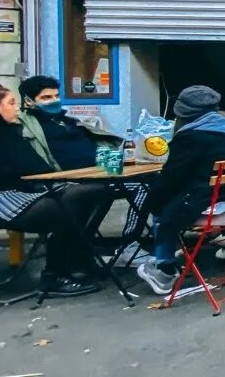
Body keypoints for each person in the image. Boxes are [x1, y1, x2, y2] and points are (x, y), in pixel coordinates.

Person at [0, 84, 104, 296]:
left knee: (94, 191)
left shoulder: (3, 129)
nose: (17, 109)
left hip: (12, 192)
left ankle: (75, 262)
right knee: (69, 202)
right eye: (11, 103)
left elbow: (33, 165)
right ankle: (54, 275)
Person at [136, 86, 225, 296]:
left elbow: (171, 178)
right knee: (168, 200)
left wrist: (149, 205)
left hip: (215, 207)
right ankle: (165, 264)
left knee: (162, 206)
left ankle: (164, 269)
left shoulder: (191, 136)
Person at [16, 75, 150, 265]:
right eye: (46, 97)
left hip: (99, 173)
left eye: (56, 95)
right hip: (69, 181)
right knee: (138, 187)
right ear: (29, 101)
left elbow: (100, 142)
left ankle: (102, 244)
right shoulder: (25, 125)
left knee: (148, 183)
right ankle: (128, 245)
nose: (54, 100)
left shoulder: (68, 121)